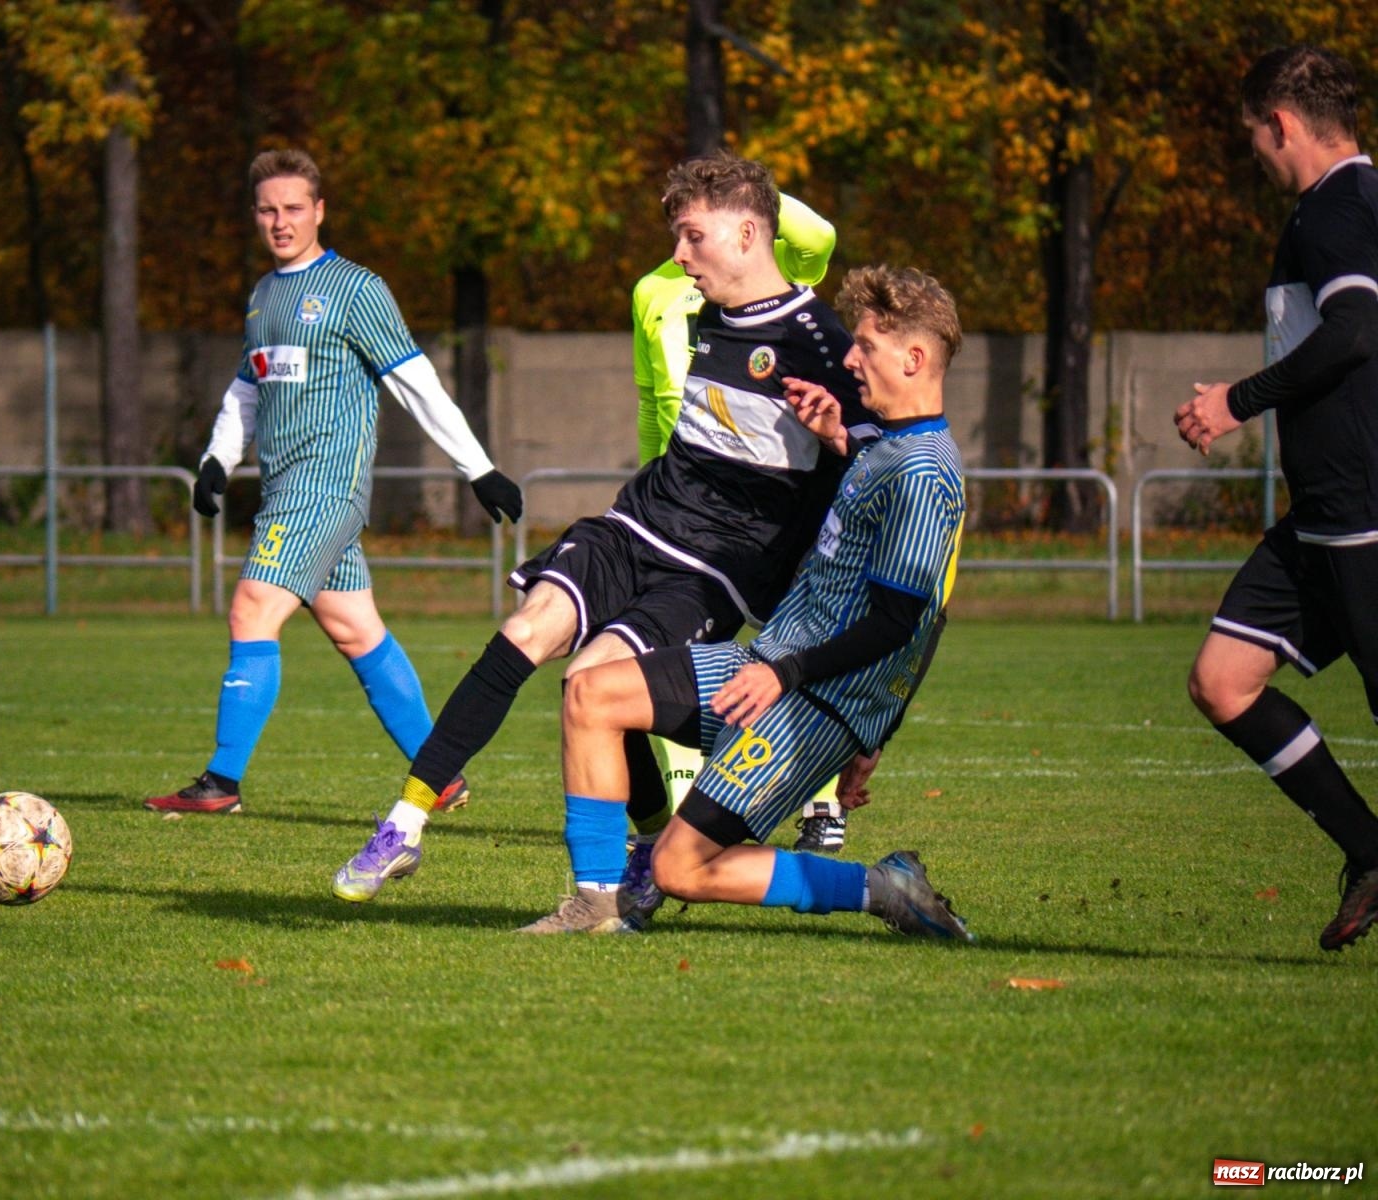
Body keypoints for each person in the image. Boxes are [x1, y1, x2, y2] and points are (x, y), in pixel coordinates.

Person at [332, 152, 877, 902]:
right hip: (638, 520)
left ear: (751, 234)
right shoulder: (711, 308)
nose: (679, 257)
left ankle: (643, 857)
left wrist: (842, 442)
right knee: (526, 632)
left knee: (592, 684)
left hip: (714, 571)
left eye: (693, 237)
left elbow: (881, 472)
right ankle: (404, 825)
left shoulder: (820, 340)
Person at [520, 264, 969, 936]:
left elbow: (904, 622)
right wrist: (839, 440)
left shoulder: (927, 474)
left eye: (866, 347)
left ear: (914, 358)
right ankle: (598, 905)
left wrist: (861, 724)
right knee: (589, 693)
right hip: (767, 667)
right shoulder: (886, 445)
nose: (851, 358)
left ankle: (880, 886)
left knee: (683, 870)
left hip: (811, 705)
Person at [144, 149, 522, 815]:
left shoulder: (355, 289)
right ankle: (442, 776)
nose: (280, 221)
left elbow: (415, 381)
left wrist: (479, 468)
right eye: (267, 210)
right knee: (355, 629)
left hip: (325, 489)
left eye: (293, 208)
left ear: (319, 211)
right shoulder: (263, 295)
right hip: (285, 487)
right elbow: (246, 389)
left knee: (250, 611)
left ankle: (222, 783)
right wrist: (217, 460)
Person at [1174, 44, 1378, 952]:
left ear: (1281, 123)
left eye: (1254, 135)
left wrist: (1235, 401)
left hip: (1367, 515)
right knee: (1223, 680)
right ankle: (1370, 851)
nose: (1254, 152)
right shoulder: (1343, 209)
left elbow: (1356, 331)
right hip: (1325, 519)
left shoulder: (1336, 207)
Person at [630, 192, 870, 858]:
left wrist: (748, 186)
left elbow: (819, 230)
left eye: (697, 226)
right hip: (688, 502)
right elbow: (656, 397)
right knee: (660, 659)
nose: (686, 246)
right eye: (680, 226)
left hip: (778, 498)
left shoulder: (775, 268)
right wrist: (659, 476)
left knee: (789, 648)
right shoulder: (653, 289)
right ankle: (682, 812)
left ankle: (818, 803)